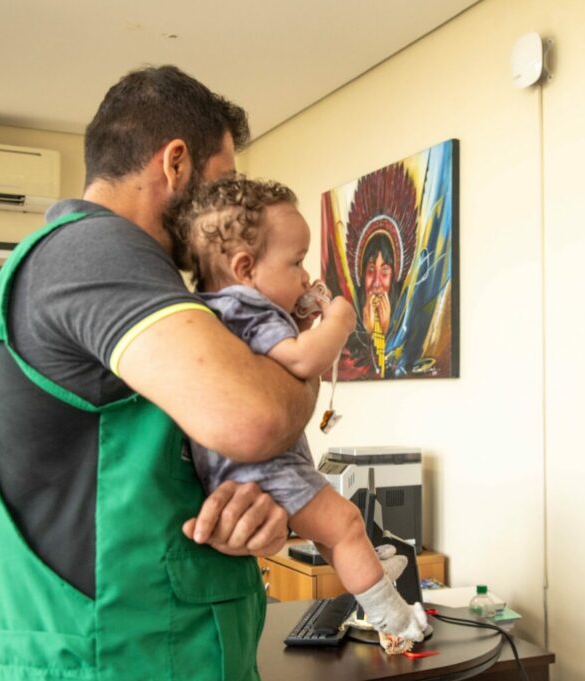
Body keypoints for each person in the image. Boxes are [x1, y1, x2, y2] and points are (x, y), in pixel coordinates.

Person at [0, 66, 318, 681]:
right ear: (175, 163)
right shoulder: (96, 252)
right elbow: (254, 417)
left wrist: (257, 502)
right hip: (120, 658)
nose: (233, 214)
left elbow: (145, 459)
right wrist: (309, 359)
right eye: (224, 185)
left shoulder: (85, 268)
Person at [167, 176, 428, 642]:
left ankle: (363, 565)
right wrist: (341, 321)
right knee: (346, 522)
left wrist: (300, 321)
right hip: (264, 466)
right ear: (246, 269)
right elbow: (305, 359)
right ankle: (393, 614)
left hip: (240, 466)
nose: (307, 276)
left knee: (334, 530)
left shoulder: (217, 309)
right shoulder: (250, 310)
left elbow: (281, 358)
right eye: (297, 261)